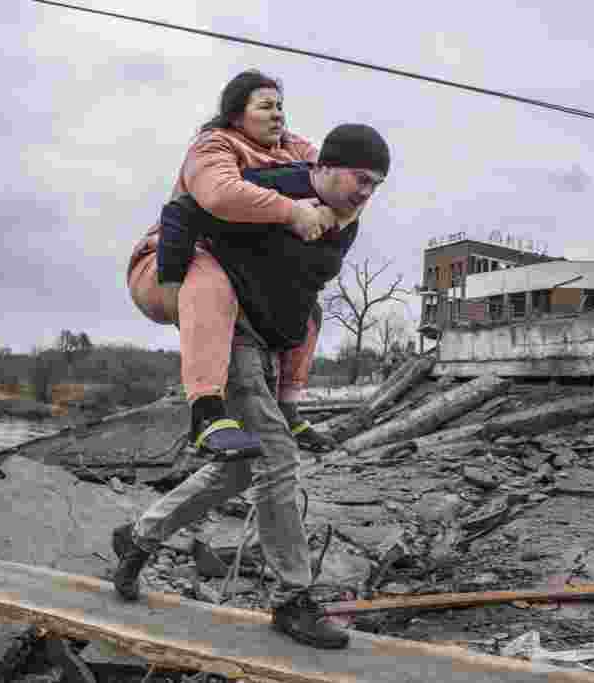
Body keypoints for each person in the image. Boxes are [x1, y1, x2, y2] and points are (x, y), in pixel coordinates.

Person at [114, 124, 391, 650]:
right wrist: (180, 279)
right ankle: (292, 599)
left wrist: (291, 395)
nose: (367, 193)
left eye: (376, 185)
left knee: (241, 467)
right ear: (326, 167)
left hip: (267, 344)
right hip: (231, 331)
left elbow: (305, 292)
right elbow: (185, 210)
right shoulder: (277, 184)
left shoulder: (345, 226)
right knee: (278, 460)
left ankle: (141, 536)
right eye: (361, 178)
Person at [127, 70, 341, 463]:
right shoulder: (213, 146)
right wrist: (293, 210)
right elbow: (220, 194)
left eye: (280, 106)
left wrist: (332, 199)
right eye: (266, 106)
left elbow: (337, 181)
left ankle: (291, 409)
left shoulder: (295, 148)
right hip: (169, 266)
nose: (278, 114)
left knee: (309, 310)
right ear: (236, 115)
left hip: (244, 279)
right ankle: (206, 414)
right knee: (209, 277)